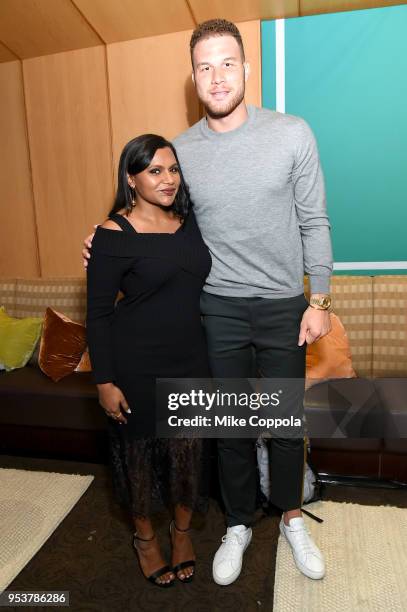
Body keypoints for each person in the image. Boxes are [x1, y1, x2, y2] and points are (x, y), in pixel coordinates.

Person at [83, 19, 333, 585]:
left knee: (285, 424)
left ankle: (292, 516)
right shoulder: (181, 152)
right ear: (193, 77)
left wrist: (318, 298)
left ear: (246, 69)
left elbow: (314, 219)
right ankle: (239, 523)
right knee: (231, 428)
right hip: (215, 309)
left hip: (281, 305)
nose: (216, 77)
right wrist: (101, 239)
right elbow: (154, 213)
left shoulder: (292, 132)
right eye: (204, 67)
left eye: (226, 64)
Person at [86, 134, 212, 587]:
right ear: (132, 179)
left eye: (173, 169)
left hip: (192, 358)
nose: (168, 179)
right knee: (137, 458)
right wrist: (104, 381)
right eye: (155, 171)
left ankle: (181, 534)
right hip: (135, 362)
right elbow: (98, 315)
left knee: (186, 455)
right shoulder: (111, 234)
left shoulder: (189, 222)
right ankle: (144, 539)